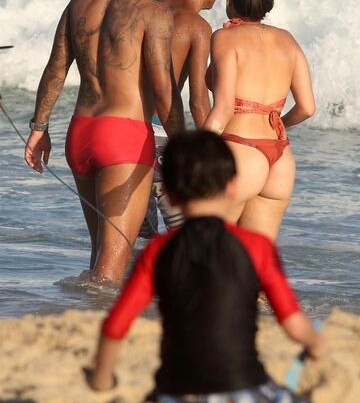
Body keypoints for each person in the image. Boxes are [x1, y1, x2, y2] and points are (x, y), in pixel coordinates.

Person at [85, 130, 324, 402]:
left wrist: (101, 379)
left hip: (175, 392)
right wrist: (316, 345)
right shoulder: (257, 247)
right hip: (242, 388)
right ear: (233, 187)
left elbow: (116, 326)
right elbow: (294, 325)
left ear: (171, 196)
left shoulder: (157, 251)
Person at [24, 0, 184, 282]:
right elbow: (165, 91)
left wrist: (38, 128)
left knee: (100, 254)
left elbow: (55, 69)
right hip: (124, 139)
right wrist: (183, 145)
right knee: (112, 269)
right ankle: (91, 331)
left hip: (80, 134)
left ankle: (79, 313)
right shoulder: (152, 13)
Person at [204, 0, 315, 241]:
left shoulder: (225, 37)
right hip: (280, 157)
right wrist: (278, 123)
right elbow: (307, 108)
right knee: (256, 264)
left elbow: (224, 107)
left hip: (239, 150)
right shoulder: (287, 40)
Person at [140, 0, 221, 237]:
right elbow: (198, 101)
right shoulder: (198, 27)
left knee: (137, 236)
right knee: (185, 234)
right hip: (162, 137)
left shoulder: (148, 8)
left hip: (129, 128)